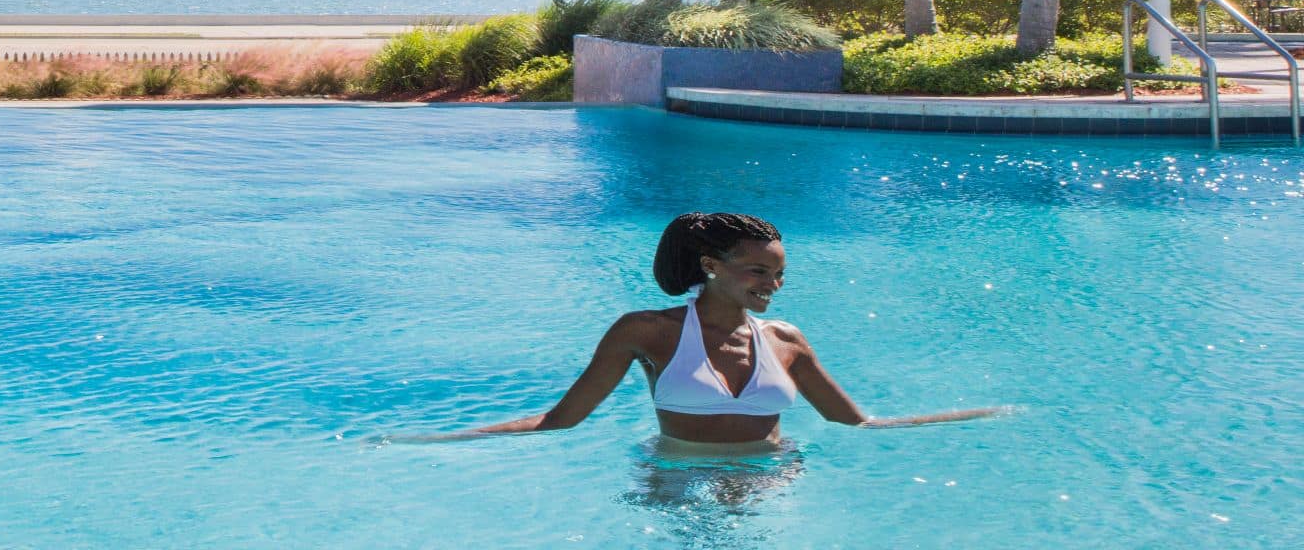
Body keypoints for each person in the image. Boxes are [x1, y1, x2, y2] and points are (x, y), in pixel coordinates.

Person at [404, 212, 1004, 449]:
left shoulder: (786, 342)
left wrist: (970, 416)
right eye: (757, 270)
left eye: (778, 274)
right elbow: (561, 420)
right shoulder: (646, 331)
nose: (771, 284)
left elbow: (857, 422)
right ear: (711, 267)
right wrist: (441, 440)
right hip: (674, 476)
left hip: (772, 477)